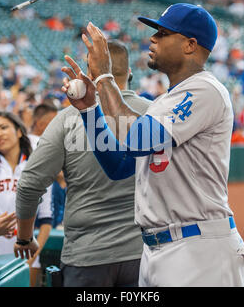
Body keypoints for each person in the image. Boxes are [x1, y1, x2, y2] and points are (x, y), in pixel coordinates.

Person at [57, 4, 244, 286]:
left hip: (199, 248)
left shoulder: (206, 89)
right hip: (158, 250)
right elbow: (120, 165)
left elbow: (140, 139)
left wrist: (104, 77)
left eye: (163, 33)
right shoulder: (165, 102)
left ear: (190, 45)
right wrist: (90, 110)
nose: (153, 39)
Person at [14, 40, 151, 287]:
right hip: (145, 253)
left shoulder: (68, 118)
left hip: (87, 256)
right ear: (130, 72)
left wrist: (25, 238)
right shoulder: (154, 112)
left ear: (90, 74)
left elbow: (29, 184)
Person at [0, 112, 52, 258]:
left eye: (3, 127)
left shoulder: (37, 166)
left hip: (28, 253)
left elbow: (46, 219)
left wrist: (34, 256)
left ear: (19, 132)